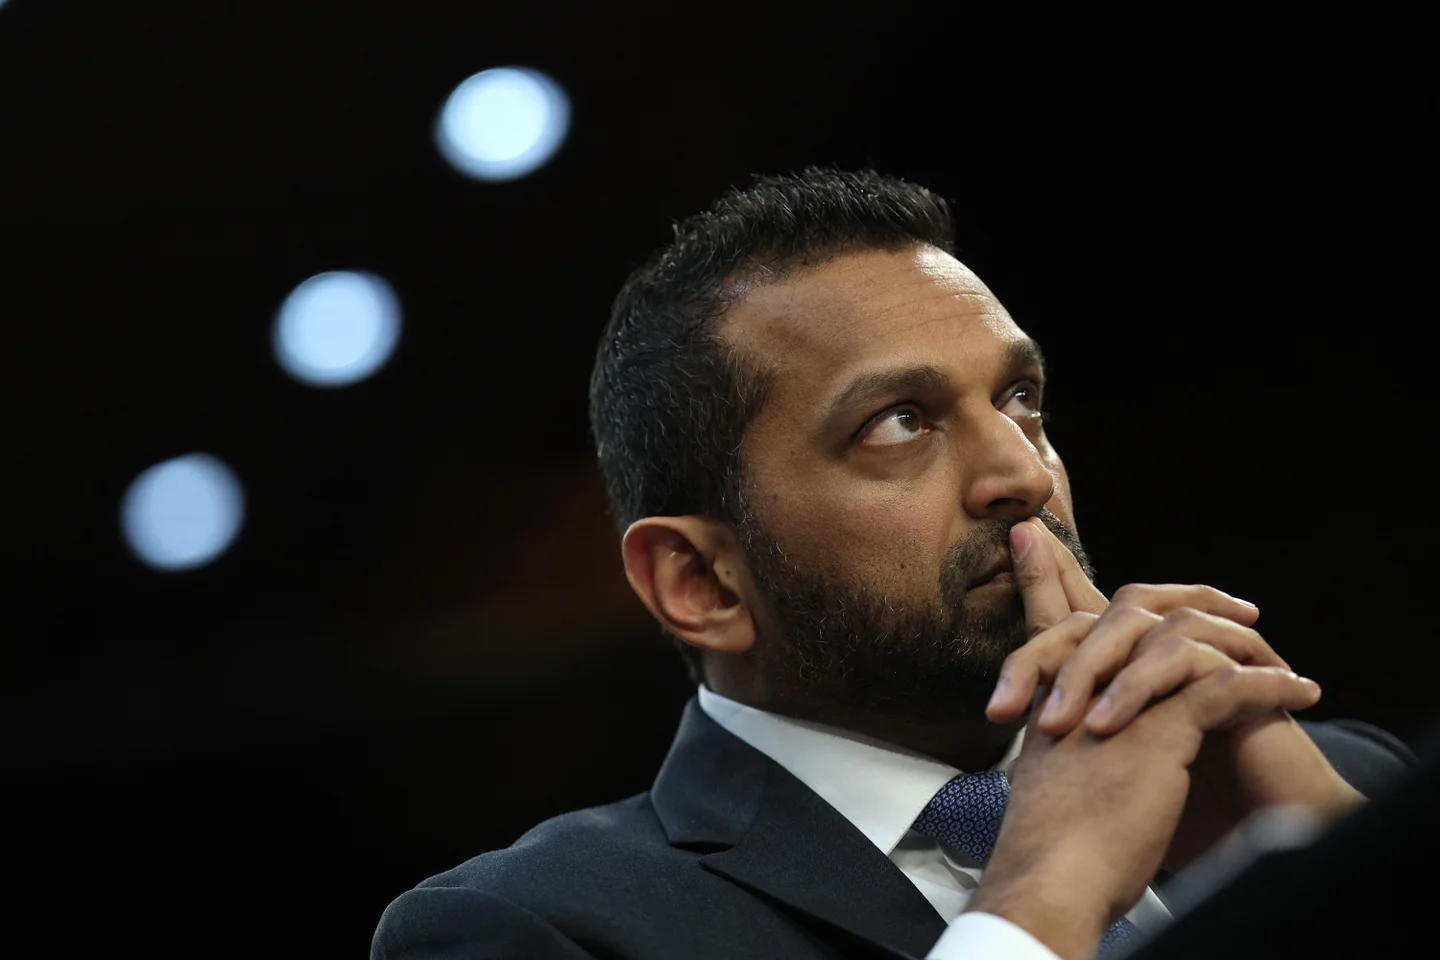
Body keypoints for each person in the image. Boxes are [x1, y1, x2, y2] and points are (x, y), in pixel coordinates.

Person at [370, 168, 1413, 959]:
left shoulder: (1335, 789)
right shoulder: (534, 927)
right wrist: (1044, 893)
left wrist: (1358, 886)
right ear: (701, 581)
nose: (1022, 474)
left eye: (1020, 400)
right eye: (898, 422)